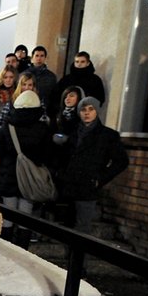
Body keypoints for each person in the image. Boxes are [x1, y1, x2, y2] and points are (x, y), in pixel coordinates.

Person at [56, 97, 129, 235]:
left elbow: (121, 161)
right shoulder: (73, 132)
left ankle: (77, 256)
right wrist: (61, 174)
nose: (87, 113)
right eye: (83, 110)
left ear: (97, 111)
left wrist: (100, 179)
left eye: (91, 109)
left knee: (82, 229)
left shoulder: (107, 135)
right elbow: (63, 156)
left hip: (87, 187)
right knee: (67, 227)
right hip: (69, 185)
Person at [0, 90, 52, 248]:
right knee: (25, 218)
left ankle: (6, 252)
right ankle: (22, 251)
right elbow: (47, 155)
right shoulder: (42, 128)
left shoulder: (8, 126)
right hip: (30, 179)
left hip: (8, 176)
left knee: (7, 217)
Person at [25, 46, 58, 114]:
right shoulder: (24, 75)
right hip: (26, 106)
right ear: (32, 57)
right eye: (37, 56)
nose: (39, 58)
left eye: (42, 56)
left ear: (45, 58)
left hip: (44, 109)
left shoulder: (51, 77)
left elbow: (54, 96)